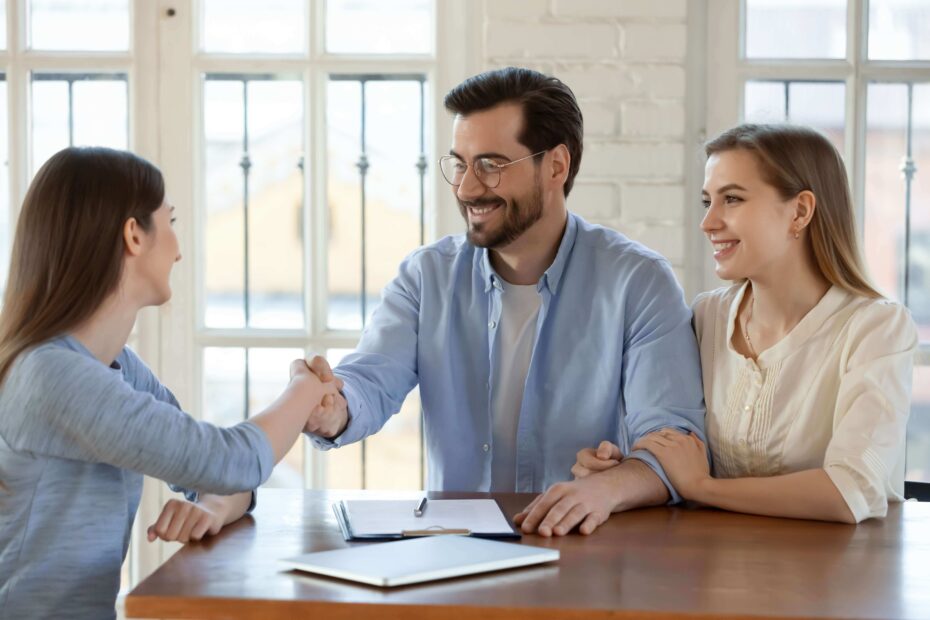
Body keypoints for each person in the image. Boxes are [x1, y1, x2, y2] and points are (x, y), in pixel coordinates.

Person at [302, 67, 706, 536]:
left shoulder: (637, 281)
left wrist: (611, 484)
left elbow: (674, 438)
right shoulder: (425, 276)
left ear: (556, 165)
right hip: (454, 558)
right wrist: (332, 408)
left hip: (584, 552)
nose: (467, 188)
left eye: (491, 166)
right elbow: (370, 381)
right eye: (460, 164)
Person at [0, 147, 340, 619]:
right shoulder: (52, 376)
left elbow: (212, 474)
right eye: (171, 221)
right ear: (134, 235)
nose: (179, 249)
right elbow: (228, 460)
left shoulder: (116, 365)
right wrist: (303, 389)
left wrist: (217, 506)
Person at [574, 124, 917, 523]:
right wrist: (623, 469)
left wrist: (702, 488)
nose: (708, 222)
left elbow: (851, 490)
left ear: (800, 211)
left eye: (732, 199)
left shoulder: (876, 328)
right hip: (716, 573)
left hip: (839, 576)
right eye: (707, 202)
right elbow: (676, 449)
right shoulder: (707, 317)